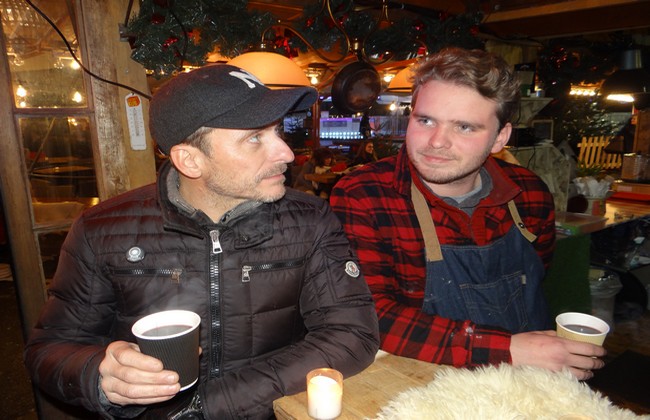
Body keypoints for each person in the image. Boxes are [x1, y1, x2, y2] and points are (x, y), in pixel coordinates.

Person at [24, 64, 379, 419]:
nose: (286, 153)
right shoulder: (101, 229)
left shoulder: (310, 220)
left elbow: (350, 334)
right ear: (190, 160)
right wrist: (97, 374)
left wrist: (209, 406)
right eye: (255, 138)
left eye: (277, 132)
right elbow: (48, 349)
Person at [330, 47, 606, 381]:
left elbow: (538, 279)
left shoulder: (530, 194)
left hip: (534, 380)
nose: (436, 142)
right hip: (427, 386)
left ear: (499, 137)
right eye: (425, 120)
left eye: (464, 127)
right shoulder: (364, 194)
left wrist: (526, 353)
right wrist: (508, 349)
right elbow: (368, 316)